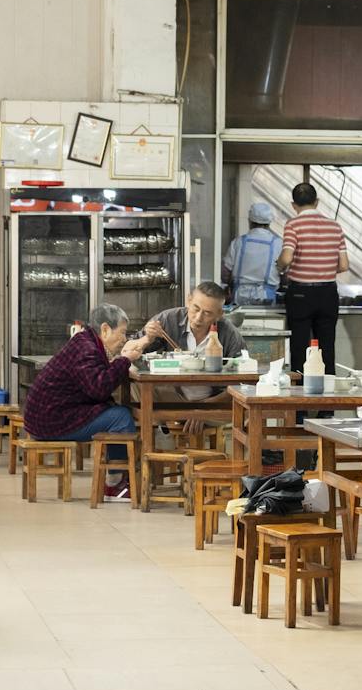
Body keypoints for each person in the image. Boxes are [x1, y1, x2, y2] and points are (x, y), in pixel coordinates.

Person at [24, 302, 148, 497]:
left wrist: (120, 363)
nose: (124, 339)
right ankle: (115, 485)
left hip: (49, 415)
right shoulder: (87, 349)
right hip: (50, 420)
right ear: (105, 329)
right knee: (121, 418)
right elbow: (99, 389)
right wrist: (124, 361)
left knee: (116, 412)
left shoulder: (85, 341)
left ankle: (119, 479)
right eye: (122, 333)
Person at [141, 281, 247, 414]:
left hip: (213, 404)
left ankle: (179, 420)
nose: (198, 318)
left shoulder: (229, 334)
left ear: (219, 314)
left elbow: (244, 381)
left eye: (207, 313)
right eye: (196, 309)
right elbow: (129, 352)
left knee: (245, 413)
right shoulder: (168, 319)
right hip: (172, 399)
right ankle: (176, 419)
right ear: (189, 300)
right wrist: (146, 339)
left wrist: (204, 408)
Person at [279, 182, 347, 372]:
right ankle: (328, 385)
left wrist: (279, 265)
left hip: (300, 293)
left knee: (300, 345)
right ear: (316, 202)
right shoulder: (335, 226)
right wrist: (324, 268)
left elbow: (286, 258)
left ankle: (300, 386)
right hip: (328, 293)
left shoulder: (293, 225)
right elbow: (344, 265)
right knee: (326, 346)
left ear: (293, 205)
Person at [222, 202, 283, 307]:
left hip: (239, 296)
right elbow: (285, 272)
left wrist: (228, 286)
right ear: (269, 223)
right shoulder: (278, 243)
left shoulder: (238, 242)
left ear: (250, 221)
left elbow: (225, 272)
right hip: (266, 297)